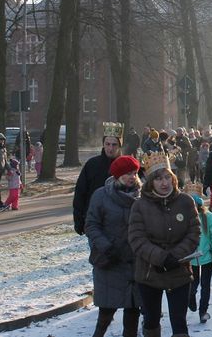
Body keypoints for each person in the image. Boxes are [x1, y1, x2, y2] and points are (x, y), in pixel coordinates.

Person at [128, 152, 200, 337]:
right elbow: (137, 239)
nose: (164, 183)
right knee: (151, 319)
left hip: (179, 271)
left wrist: (175, 256)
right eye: (158, 178)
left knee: (179, 321)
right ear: (151, 181)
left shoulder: (185, 201)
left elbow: (194, 233)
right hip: (149, 272)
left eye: (167, 177)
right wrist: (161, 258)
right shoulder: (140, 206)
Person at [84, 155, 142, 337]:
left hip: (135, 262)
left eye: (134, 173)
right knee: (105, 315)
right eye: (126, 173)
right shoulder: (101, 195)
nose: (131, 177)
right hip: (110, 261)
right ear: (117, 175)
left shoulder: (143, 196)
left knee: (133, 313)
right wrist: (106, 247)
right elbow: (91, 225)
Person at [73, 122, 123, 235]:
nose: (110, 148)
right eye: (107, 144)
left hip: (120, 224)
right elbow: (80, 192)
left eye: (114, 145)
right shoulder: (92, 165)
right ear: (103, 144)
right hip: (95, 221)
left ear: (119, 146)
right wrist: (79, 219)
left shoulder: (126, 166)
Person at [186, 184, 212, 324]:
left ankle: (203, 311)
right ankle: (191, 296)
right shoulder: (185, 218)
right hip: (190, 258)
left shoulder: (210, 218)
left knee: (206, 286)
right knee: (193, 283)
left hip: (206, 257)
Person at [0, 133, 8, 206]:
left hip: (0, 170)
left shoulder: (4, 148)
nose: (2, 142)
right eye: (0, 140)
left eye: (3, 140)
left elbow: (5, 160)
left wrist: (9, 169)